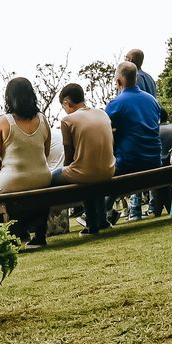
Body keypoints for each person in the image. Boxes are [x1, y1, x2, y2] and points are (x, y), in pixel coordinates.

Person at [0, 77, 54, 246]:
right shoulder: (43, 119)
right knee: (38, 192)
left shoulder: (3, 121)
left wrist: (6, 172)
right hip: (43, 177)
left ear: (9, 98)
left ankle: (12, 235)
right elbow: (45, 153)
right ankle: (39, 235)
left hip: (13, 178)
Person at [52, 83, 115, 233]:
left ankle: (44, 226)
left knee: (52, 176)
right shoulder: (102, 113)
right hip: (109, 169)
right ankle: (99, 221)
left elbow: (69, 153)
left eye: (63, 106)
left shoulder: (68, 120)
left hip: (85, 173)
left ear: (67, 103)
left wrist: (67, 169)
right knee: (88, 172)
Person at [106, 62, 165, 219]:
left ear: (119, 82)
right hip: (154, 159)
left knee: (105, 175)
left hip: (128, 161)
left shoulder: (116, 104)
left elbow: (105, 132)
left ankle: (99, 213)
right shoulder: (152, 100)